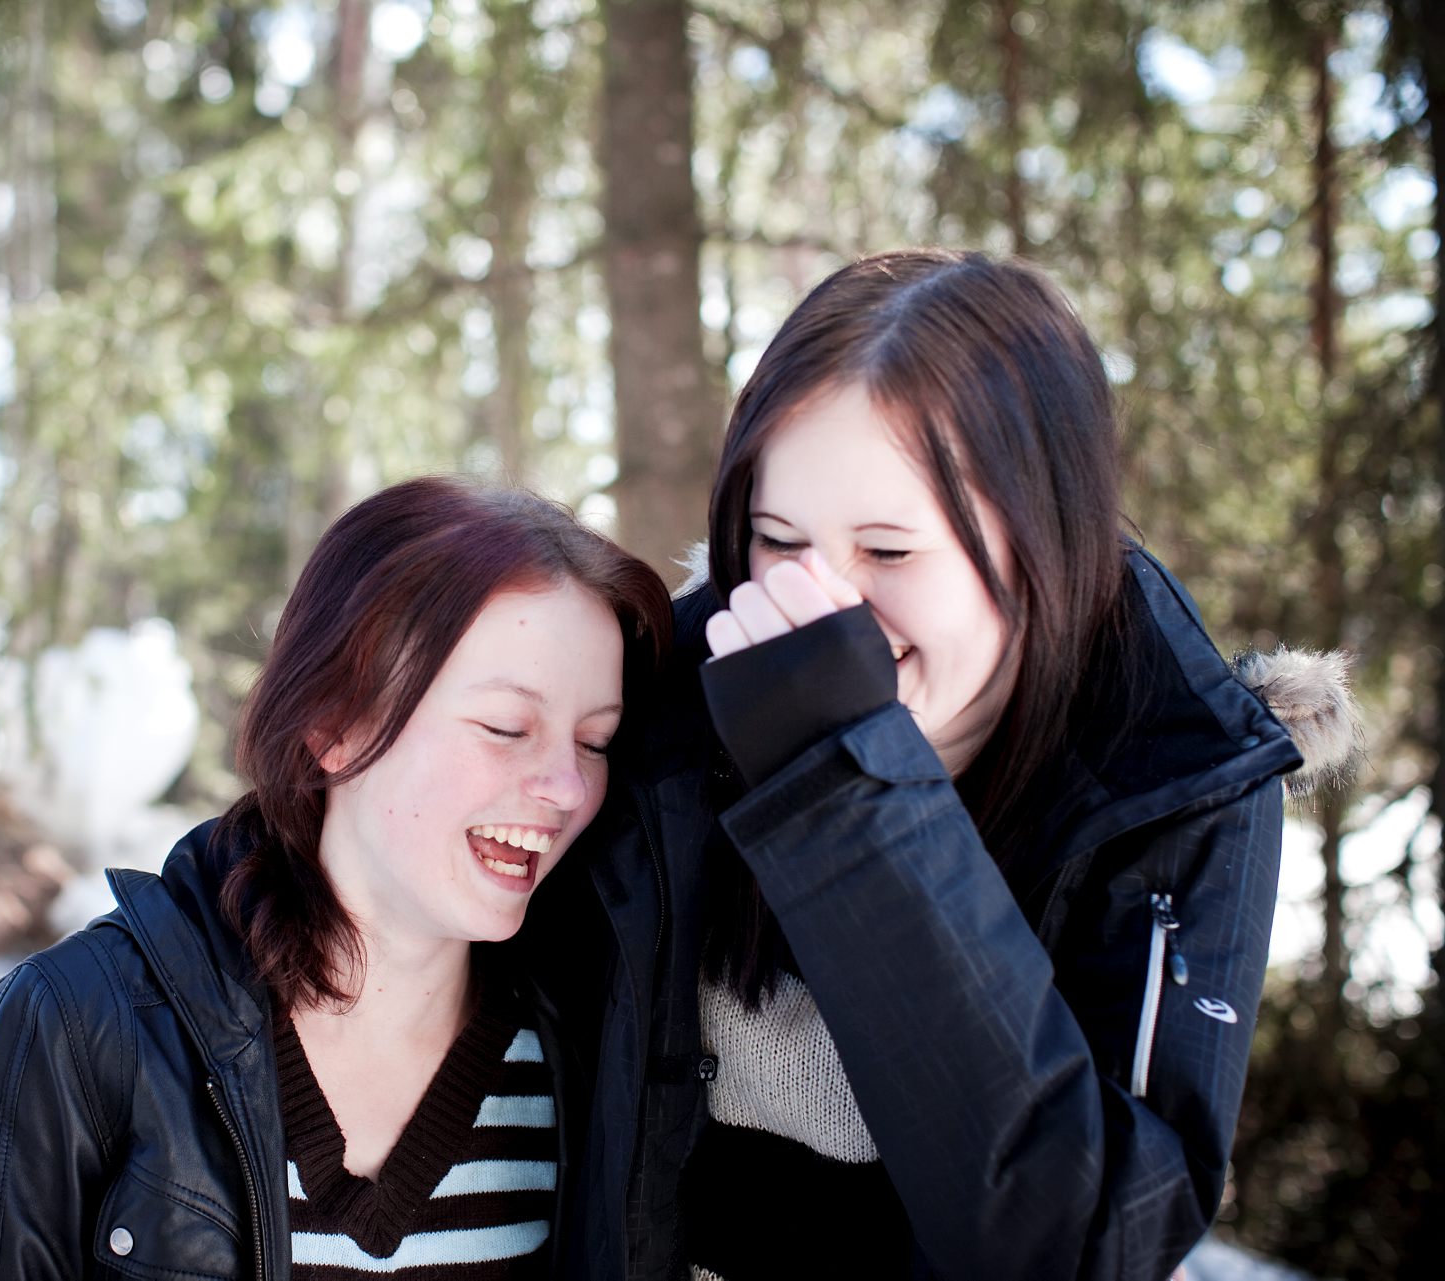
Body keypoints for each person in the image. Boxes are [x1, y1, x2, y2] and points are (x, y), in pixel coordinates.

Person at [531, 249, 1360, 1280]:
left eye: (888, 551)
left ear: (1043, 542)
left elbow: (1089, 1242)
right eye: (778, 539)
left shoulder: (1178, 783)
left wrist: (842, 795)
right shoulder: (655, 706)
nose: (821, 603)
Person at [0, 475, 672, 1278]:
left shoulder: (596, 1045)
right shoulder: (85, 1029)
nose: (567, 787)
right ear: (334, 722)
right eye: (506, 726)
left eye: (594, 742)